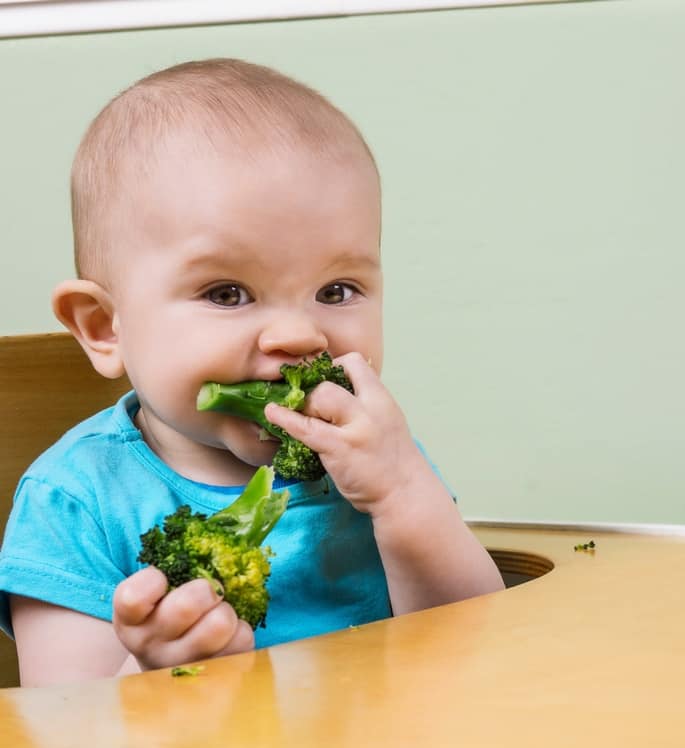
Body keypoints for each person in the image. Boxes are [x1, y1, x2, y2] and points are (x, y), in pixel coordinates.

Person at [0, 58, 504, 687]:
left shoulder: (375, 463)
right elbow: (64, 741)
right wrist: (152, 669)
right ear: (106, 327)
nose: (300, 335)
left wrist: (404, 495)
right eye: (227, 293)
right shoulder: (74, 501)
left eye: (338, 289)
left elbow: (476, 650)